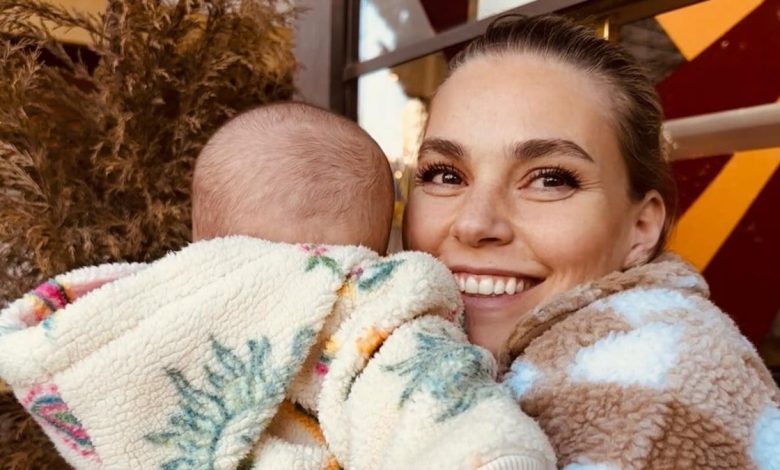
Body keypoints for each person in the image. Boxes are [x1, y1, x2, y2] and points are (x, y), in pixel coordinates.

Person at [0, 102, 555, 469]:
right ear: (372, 242)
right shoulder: (366, 303)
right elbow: (433, 400)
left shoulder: (147, 304)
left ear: (201, 238)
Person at [403, 14, 780, 469]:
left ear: (642, 226)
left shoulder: (660, 402)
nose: (474, 223)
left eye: (549, 179)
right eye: (445, 175)